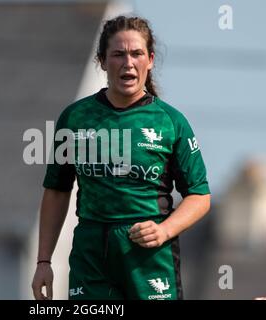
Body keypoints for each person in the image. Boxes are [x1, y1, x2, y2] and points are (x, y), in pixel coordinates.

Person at [31, 15, 211, 300]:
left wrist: (164, 231)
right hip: (91, 256)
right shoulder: (75, 118)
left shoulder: (171, 121)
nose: (128, 63)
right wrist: (44, 261)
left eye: (137, 53)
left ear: (150, 60)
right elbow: (56, 190)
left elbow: (200, 196)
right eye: (118, 54)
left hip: (149, 256)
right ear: (102, 61)